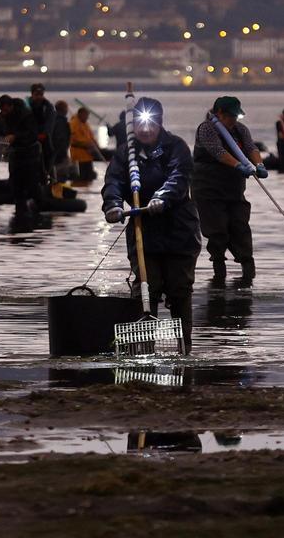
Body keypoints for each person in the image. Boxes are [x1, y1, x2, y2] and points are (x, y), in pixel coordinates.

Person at [103, 97, 202, 352]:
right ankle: (144, 349)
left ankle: (184, 348)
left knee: (180, 289)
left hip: (179, 231)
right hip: (143, 230)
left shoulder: (176, 147)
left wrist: (162, 197)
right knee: (147, 288)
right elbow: (113, 181)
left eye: (151, 124)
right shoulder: (125, 153)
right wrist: (113, 204)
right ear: (133, 124)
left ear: (159, 123)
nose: (145, 130)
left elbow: (179, 177)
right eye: (139, 124)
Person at [192, 96, 265, 283]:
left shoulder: (240, 130)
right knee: (218, 230)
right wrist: (238, 165)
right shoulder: (206, 129)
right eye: (231, 116)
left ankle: (248, 269)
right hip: (208, 189)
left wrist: (259, 164)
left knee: (240, 225)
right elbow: (218, 152)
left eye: (236, 116)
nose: (234, 120)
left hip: (233, 189)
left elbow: (250, 147)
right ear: (220, 114)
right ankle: (219, 271)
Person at [0, 94, 43, 217]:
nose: (5, 112)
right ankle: (20, 210)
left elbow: (32, 134)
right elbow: (1, 131)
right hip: (14, 155)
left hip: (30, 155)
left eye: (6, 110)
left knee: (32, 184)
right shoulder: (2, 117)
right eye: (2, 110)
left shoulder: (26, 115)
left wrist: (16, 136)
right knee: (16, 185)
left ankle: (36, 210)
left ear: (11, 106)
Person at [28, 83, 57, 177]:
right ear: (32, 94)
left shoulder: (48, 107)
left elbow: (50, 122)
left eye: (41, 94)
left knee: (49, 156)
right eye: (37, 94)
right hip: (29, 138)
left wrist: (44, 133)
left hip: (44, 138)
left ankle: (48, 176)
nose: (39, 97)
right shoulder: (26, 106)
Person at [69, 106, 101, 181]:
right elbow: (72, 140)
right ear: (80, 114)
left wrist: (96, 145)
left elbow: (91, 137)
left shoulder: (85, 124)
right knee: (81, 177)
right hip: (79, 156)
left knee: (90, 177)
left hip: (88, 156)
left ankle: (87, 188)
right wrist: (85, 144)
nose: (87, 117)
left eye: (87, 116)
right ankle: (80, 189)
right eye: (85, 115)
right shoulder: (73, 124)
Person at [51, 100, 72, 181]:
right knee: (61, 177)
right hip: (60, 155)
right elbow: (61, 139)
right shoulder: (61, 122)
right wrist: (63, 153)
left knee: (55, 176)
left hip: (53, 154)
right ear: (64, 109)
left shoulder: (53, 119)